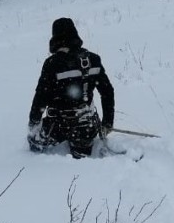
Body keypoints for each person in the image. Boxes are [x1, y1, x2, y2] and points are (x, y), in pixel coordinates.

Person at [27, 17, 115, 158]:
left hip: (57, 127)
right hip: (87, 126)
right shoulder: (93, 59)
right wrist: (107, 123)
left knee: (33, 143)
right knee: (82, 156)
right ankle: (84, 149)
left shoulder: (52, 64)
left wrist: (33, 123)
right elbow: (107, 92)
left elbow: (40, 98)